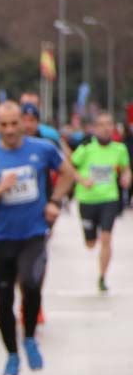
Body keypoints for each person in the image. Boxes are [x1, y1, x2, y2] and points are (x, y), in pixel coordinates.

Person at [0, 101, 74, 375]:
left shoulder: (41, 149)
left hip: (33, 234)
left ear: (22, 123)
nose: (11, 129)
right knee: (4, 301)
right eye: (4, 125)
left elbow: (68, 173)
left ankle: (29, 338)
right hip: (1, 238)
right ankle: (12, 354)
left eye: (15, 123)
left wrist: (54, 202)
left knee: (31, 283)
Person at [70, 112, 131, 291]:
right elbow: (69, 168)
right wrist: (82, 181)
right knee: (90, 244)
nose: (106, 128)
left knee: (107, 238)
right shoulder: (86, 148)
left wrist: (126, 178)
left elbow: (126, 169)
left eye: (109, 124)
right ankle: (90, 236)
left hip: (109, 198)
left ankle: (102, 277)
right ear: (95, 128)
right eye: (102, 124)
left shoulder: (119, 149)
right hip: (87, 199)